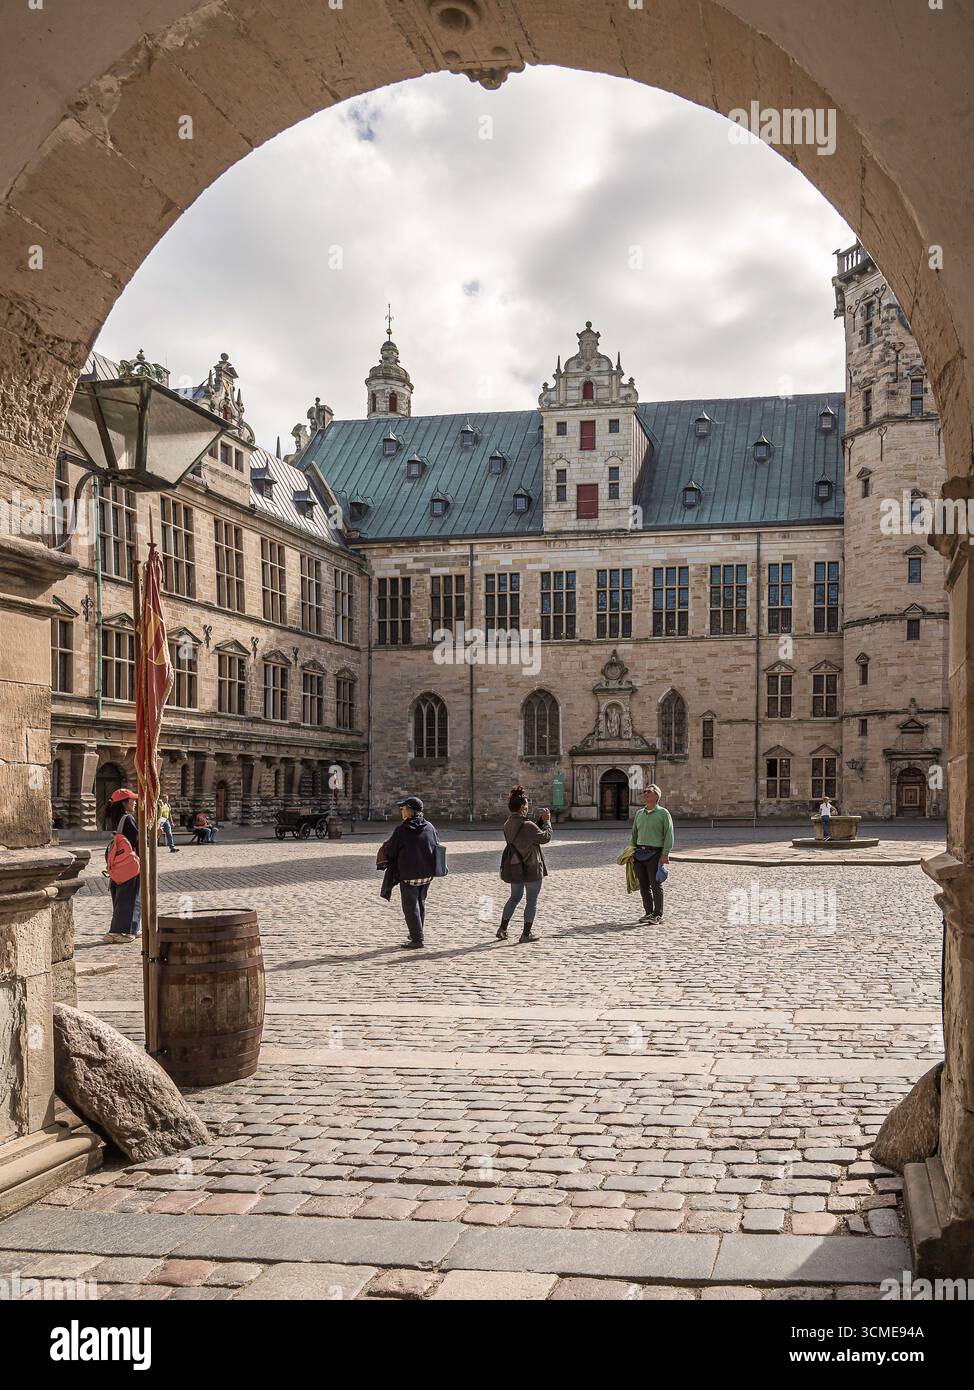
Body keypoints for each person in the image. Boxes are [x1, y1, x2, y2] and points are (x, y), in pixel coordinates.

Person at [378, 796, 439, 949]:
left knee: (410, 907)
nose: (401, 811)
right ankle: (416, 933)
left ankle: (417, 939)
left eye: (403, 808)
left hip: (409, 875)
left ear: (410, 811)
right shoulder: (430, 827)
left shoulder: (402, 830)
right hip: (427, 874)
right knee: (420, 903)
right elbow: (435, 845)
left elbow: (391, 851)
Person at [497, 786, 551, 943]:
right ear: (522, 807)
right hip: (532, 867)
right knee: (531, 900)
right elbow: (545, 837)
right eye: (527, 805)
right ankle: (526, 934)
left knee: (514, 897)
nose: (528, 808)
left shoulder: (507, 824)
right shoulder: (528, 825)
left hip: (515, 866)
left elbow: (529, 834)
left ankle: (502, 929)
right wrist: (547, 822)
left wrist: (539, 822)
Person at [628, 783, 674, 924]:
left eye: (649, 791)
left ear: (656, 796)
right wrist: (631, 852)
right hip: (639, 853)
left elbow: (669, 834)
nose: (645, 793)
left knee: (655, 884)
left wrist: (665, 853)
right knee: (643, 885)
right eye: (644, 791)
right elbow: (634, 835)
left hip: (655, 853)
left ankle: (658, 914)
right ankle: (648, 913)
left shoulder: (663, 813)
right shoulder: (639, 814)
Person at [102, 787, 141, 943]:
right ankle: (123, 931)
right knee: (130, 897)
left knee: (121, 895)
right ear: (124, 803)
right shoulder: (128, 819)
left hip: (118, 863)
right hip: (128, 863)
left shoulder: (116, 818)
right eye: (132, 800)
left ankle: (133, 927)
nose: (135, 803)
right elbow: (136, 841)